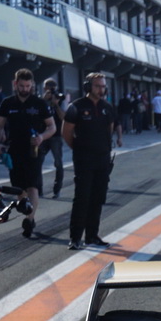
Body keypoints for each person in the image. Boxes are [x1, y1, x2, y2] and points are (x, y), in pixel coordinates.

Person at [62, 72, 117, 250]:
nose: (101, 89)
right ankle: (75, 237)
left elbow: (110, 131)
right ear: (88, 87)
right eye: (97, 86)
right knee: (82, 198)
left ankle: (92, 236)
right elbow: (67, 134)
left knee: (98, 197)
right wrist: (80, 149)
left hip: (103, 159)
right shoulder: (76, 107)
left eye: (103, 86)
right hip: (84, 160)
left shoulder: (107, 107)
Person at [0, 68, 57, 217]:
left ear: (32, 85)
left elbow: (52, 127)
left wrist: (41, 137)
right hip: (14, 149)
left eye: (28, 86)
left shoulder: (40, 103)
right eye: (22, 86)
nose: (25, 89)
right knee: (19, 188)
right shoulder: (7, 103)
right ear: (15, 84)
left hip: (34, 150)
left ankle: (30, 219)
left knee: (32, 187)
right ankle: (25, 208)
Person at [40, 81, 67, 199]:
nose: (51, 91)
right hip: (43, 135)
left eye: (53, 89)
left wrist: (55, 104)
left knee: (58, 163)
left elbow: (64, 117)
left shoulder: (60, 99)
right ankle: (38, 189)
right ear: (45, 88)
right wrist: (44, 101)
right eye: (49, 89)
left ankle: (57, 190)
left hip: (56, 136)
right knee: (37, 162)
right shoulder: (41, 101)